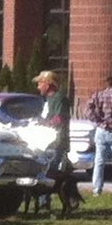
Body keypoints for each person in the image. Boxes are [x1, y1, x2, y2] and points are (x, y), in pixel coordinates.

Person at [33, 69, 82, 214]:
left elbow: (59, 119)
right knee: (45, 170)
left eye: (40, 83)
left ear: (48, 84)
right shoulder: (48, 99)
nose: (38, 87)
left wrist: (43, 122)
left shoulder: (60, 98)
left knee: (49, 172)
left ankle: (44, 203)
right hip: (46, 141)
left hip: (57, 141)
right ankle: (48, 201)